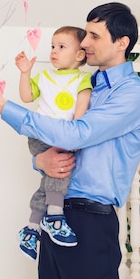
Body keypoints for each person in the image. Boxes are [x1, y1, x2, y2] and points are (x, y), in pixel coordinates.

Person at [0, 2, 140, 279]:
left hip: (91, 220)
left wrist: (5, 108)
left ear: (122, 43)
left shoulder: (133, 94)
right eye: (85, 34)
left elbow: (77, 135)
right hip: (55, 215)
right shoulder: (82, 82)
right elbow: (55, 139)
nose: (84, 42)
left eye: (94, 36)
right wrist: (39, 161)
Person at [15, 26, 92, 261]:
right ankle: (55, 216)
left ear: (80, 55)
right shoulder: (45, 76)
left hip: (64, 135)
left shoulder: (83, 79)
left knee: (49, 180)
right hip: (40, 135)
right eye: (52, 46)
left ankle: (32, 227)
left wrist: (75, 135)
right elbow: (27, 97)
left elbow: (81, 109)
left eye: (61, 47)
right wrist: (25, 73)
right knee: (60, 169)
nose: (54, 51)